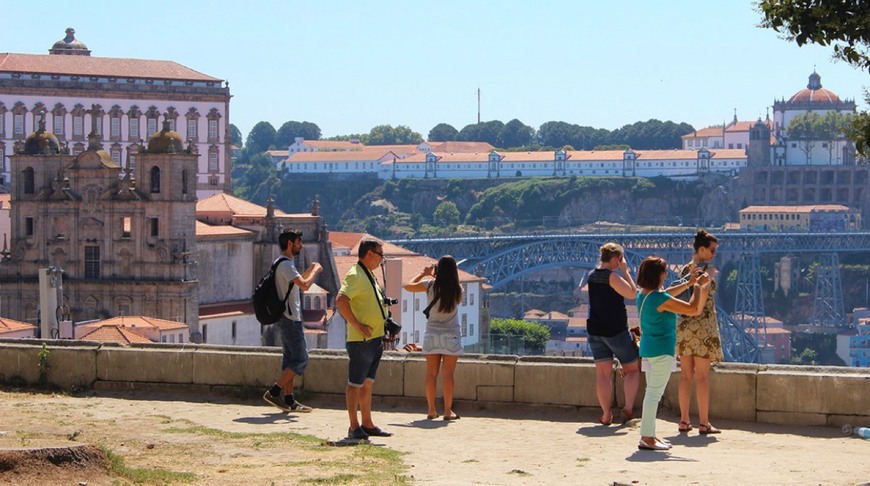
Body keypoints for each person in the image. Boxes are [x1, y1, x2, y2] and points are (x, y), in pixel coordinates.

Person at [635, 256, 710, 451]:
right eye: (664, 271)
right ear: (658, 275)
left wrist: (688, 282)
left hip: (648, 350)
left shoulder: (644, 295)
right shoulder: (660, 299)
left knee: (650, 393)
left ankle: (649, 434)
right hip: (661, 352)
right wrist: (698, 287)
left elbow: (665, 293)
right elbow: (693, 309)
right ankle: (646, 437)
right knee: (654, 395)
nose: (666, 274)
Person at [336, 239, 394, 440]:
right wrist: (357, 324)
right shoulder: (356, 275)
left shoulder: (368, 275)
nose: (381, 259)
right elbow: (341, 300)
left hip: (375, 338)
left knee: (367, 383)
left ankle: (367, 423)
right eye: (380, 254)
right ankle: (354, 426)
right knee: (355, 384)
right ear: (369, 253)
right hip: (361, 340)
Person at [263, 228, 322, 413]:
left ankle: (289, 400)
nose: (301, 246)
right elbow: (304, 286)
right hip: (290, 318)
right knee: (301, 358)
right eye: (298, 242)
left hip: (286, 317)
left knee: (290, 359)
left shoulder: (283, 263)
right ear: (290, 244)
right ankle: (274, 391)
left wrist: (310, 270)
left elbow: (298, 282)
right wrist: (317, 271)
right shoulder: (286, 264)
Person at [403, 255, 463, 421]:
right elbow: (454, 298)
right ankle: (448, 411)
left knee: (431, 374)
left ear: (438, 269)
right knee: (448, 375)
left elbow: (407, 286)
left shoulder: (429, 286)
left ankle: (431, 410)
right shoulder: (458, 290)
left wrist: (424, 273)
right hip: (451, 335)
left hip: (431, 334)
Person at [677, 229, 724, 435]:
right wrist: (710, 278)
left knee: (685, 376)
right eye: (712, 250)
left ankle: (684, 420)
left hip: (685, 327)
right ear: (702, 249)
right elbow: (701, 300)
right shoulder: (707, 273)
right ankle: (704, 422)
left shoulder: (684, 271)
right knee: (703, 377)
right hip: (703, 327)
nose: (714, 254)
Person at [586, 243, 639, 426]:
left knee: (602, 374)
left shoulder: (591, 276)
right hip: (615, 331)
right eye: (621, 259)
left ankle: (606, 414)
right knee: (632, 369)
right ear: (617, 259)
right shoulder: (612, 277)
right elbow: (632, 294)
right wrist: (626, 272)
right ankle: (628, 408)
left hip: (595, 330)